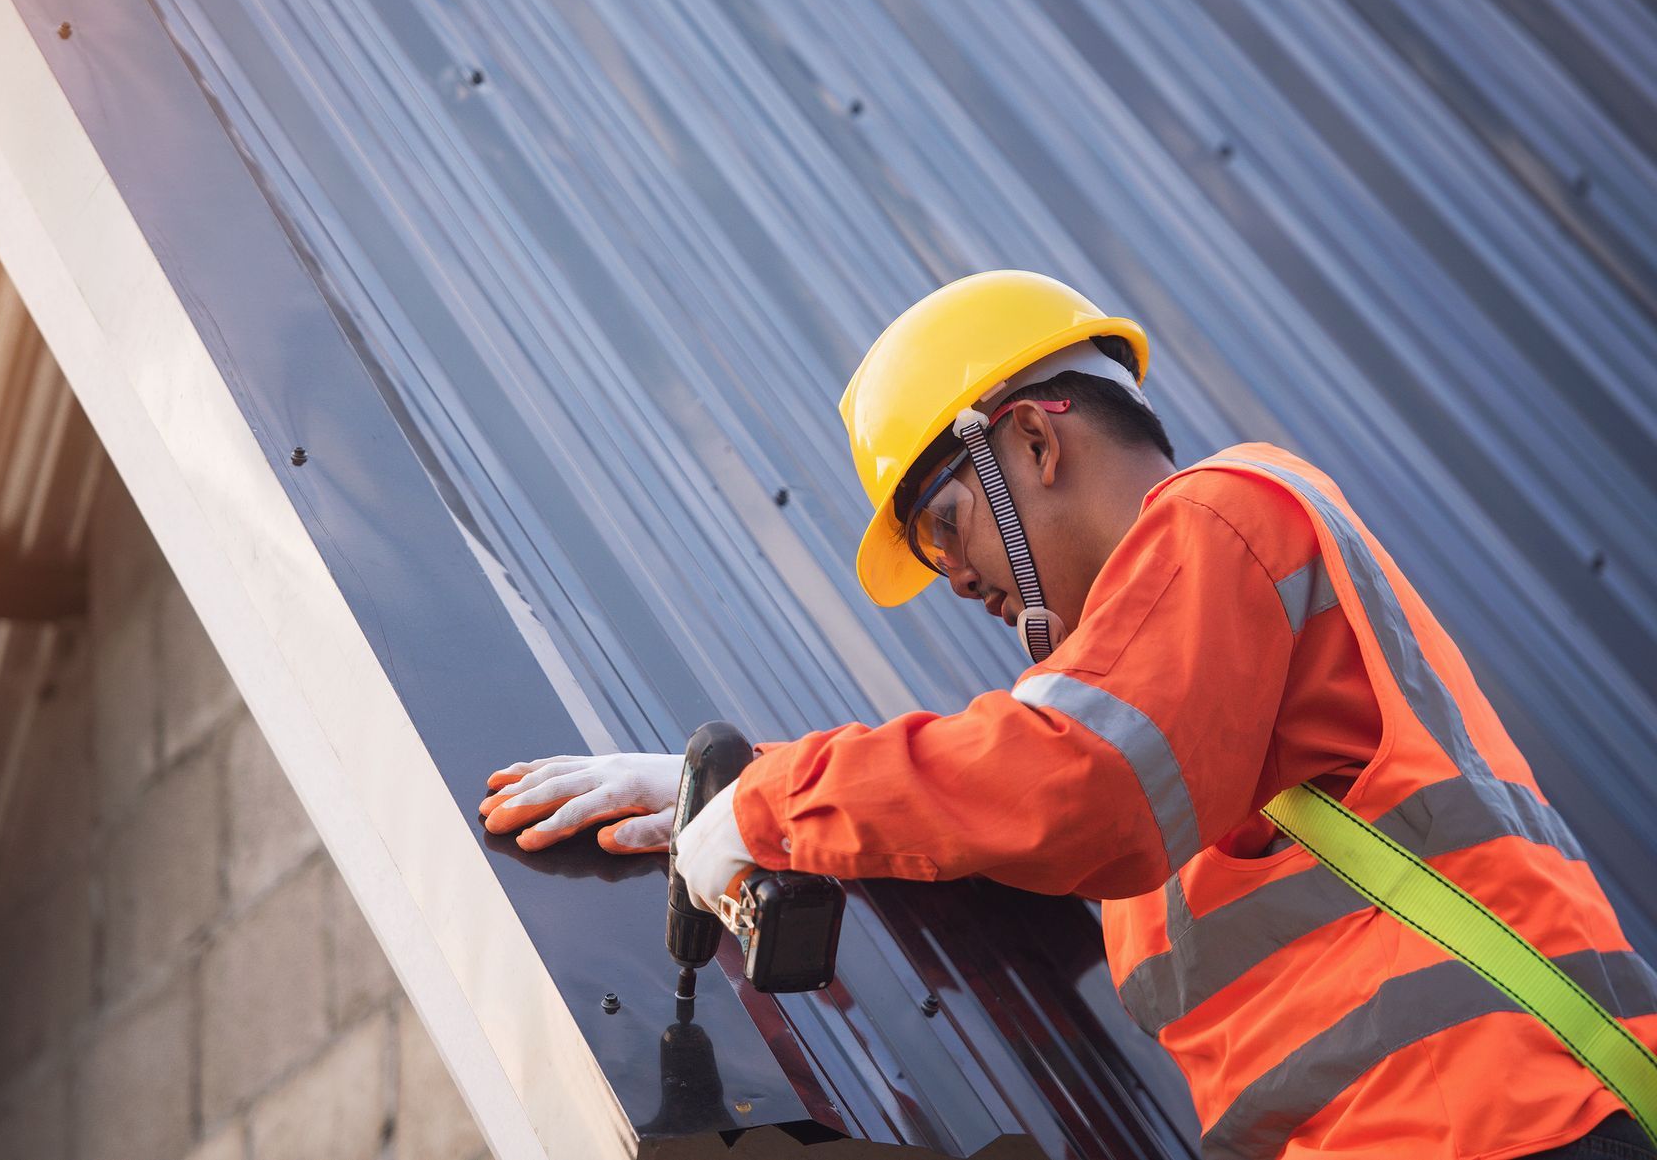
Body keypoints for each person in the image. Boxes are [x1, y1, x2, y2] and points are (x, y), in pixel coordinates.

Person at [476, 271, 1657, 1159]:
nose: (959, 583)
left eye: (943, 529)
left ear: (1033, 438)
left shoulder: (1229, 513)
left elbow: (1066, 780)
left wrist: (772, 803)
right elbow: (997, 803)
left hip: (1527, 1120)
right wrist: (722, 790)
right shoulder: (1174, 720)